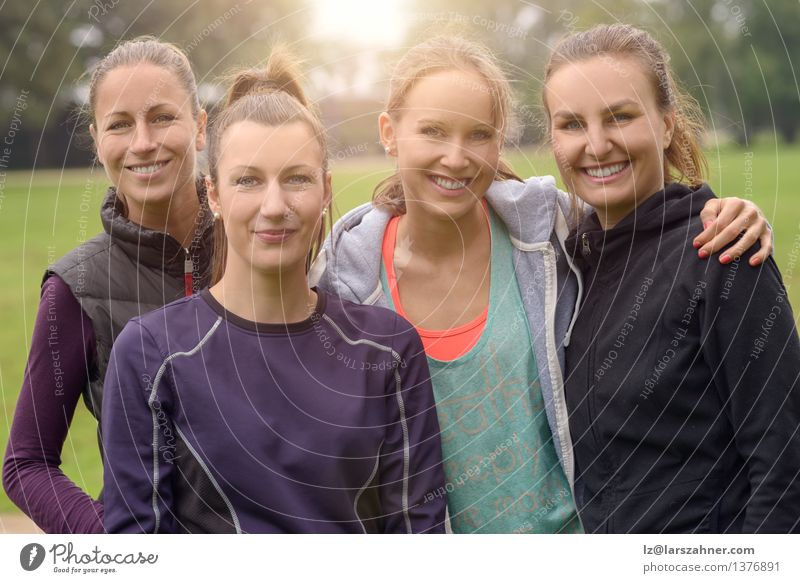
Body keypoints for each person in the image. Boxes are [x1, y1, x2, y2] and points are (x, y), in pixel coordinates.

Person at [310, 35, 775, 534]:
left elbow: (647, 225)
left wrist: (725, 212)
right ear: (389, 132)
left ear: (500, 139)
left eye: (478, 135)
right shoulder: (342, 284)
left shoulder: (552, 232)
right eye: (433, 131)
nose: (456, 157)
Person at [101, 51, 447, 534]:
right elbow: (136, 545)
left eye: (296, 179)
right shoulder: (149, 354)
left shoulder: (388, 349)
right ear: (215, 195)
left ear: (325, 191)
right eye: (248, 180)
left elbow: (418, 534)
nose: (274, 205)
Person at [542, 23, 800, 533]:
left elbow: (784, 462)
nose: (596, 144)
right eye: (571, 124)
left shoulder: (723, 251)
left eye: (620, 116)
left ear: (665, 124)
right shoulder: (562, 264)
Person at [2, 37, 212, 533]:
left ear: (200, 128)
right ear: (98, 141)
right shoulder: (76, 287)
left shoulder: (260, 247)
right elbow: (26, 463)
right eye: (120, 124)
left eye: (162, 117)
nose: (143, 142)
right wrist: (117, 541)